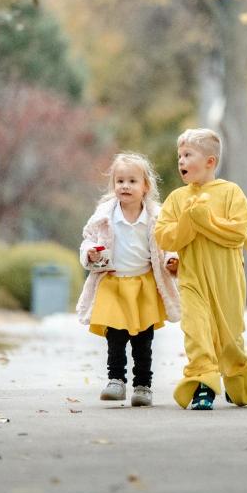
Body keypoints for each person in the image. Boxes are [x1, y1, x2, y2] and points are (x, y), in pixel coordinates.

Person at [154, 129, 247, 410]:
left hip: (227, 279)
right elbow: (165, 236)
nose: (181, 161)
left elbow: (237, 233)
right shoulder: (176, 199)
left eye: (188, 155)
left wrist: (205, 220)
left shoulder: (231, 193)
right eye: (179, 156)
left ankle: (237, 375)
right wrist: (189, 220)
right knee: (196, 333)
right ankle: (204, 385)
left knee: (229, 338)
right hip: (192, 278)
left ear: (210, 162)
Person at [75, 152, 180, 407]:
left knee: (143, 340)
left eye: (132, 181)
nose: (125, 186)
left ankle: (143, 385)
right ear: (113, 185)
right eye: (120, 181)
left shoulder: (156, 216)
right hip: (112, 283)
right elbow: (88, 239)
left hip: (143, 284)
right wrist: (89, 252)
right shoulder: (104, 216)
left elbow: (168, 243)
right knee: (116, 337)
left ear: (146, 186)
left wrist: (172, 260)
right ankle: (116, 381)